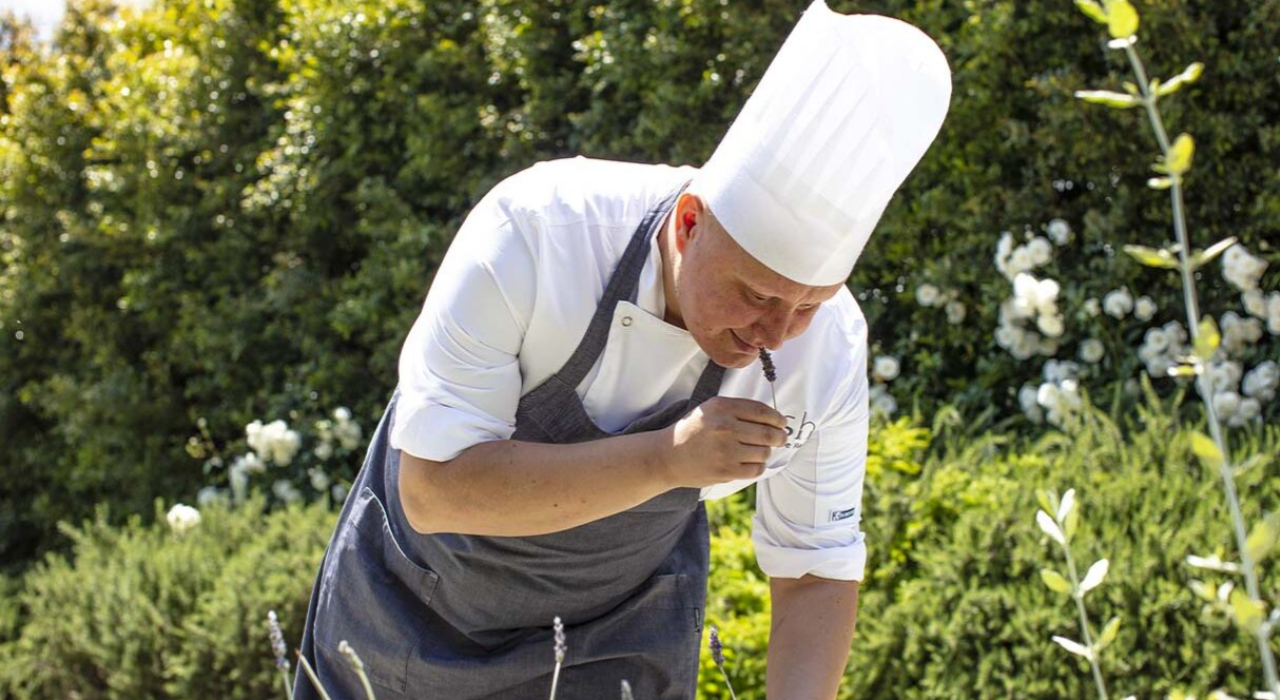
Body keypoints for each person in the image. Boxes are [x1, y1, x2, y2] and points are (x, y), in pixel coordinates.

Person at [293, 2, 951, 699]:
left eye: (807, 306)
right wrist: (669, 459)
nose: (775, 333)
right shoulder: (537, 232)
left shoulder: (830, 342)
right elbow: (433, 490)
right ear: (691, 223)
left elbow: (816, 571)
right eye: (756, 294)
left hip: (618, 637)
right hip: (415, 619)